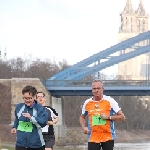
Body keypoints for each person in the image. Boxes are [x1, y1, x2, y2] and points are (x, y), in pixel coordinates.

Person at [79, 79, 126, 150]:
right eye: (94, 89)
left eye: (98, 88)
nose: (96, 90)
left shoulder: (110, 101)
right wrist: (83, 127)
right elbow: (82, 117)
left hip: (107, 136)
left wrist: (108, 117)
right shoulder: (87, 103)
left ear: (102, 89)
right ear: (92, 90)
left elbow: (122, 117)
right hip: (93, 137)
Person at [11, 85, 48, 150]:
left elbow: (43, 122)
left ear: (34, 97)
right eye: (25, 98)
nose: (27, 100)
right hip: (20, 144)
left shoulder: (40, 109)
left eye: (30, 98)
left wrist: (31, 118)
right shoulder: (19, 107)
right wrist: (14, 127)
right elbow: (17, 119)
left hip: (36, 145)